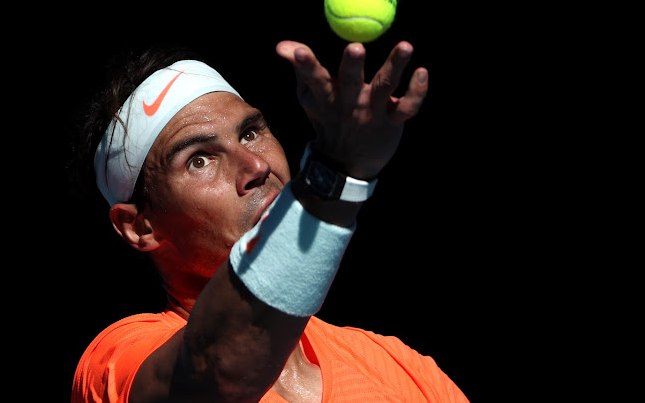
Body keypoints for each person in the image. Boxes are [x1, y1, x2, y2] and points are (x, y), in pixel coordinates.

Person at [69, 38, 469, 402]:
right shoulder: (115, 361)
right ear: (139, 227)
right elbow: (217, 373)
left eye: (249, 134)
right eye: (199, 160)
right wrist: (333, 176)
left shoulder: (400, 368)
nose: (256, 166)